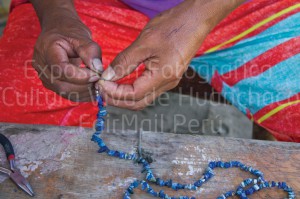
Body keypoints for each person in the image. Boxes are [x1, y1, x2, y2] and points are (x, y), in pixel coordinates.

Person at [0, 0, 299, 141]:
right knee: (15, 127)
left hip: (255, 7)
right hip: (95, 7)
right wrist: (58, 13)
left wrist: (199, 15)